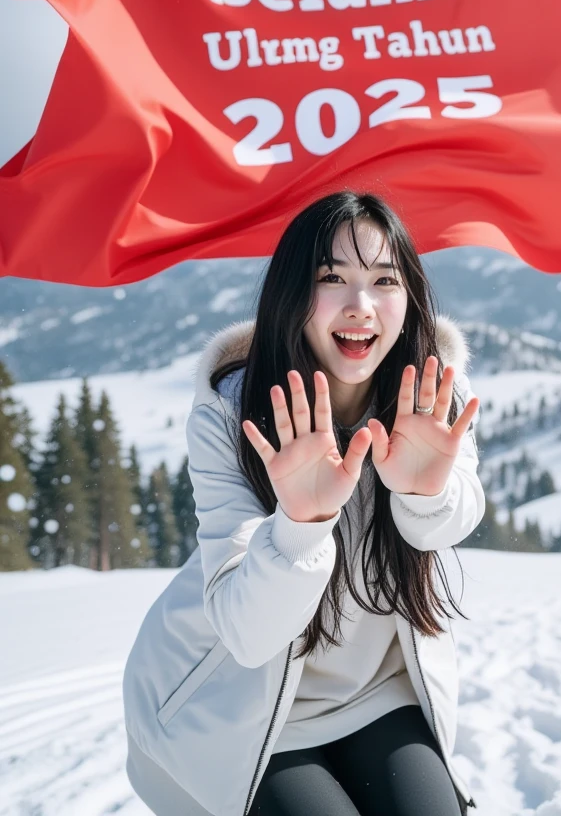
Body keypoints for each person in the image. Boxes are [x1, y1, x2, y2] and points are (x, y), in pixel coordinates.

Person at [123, 190, 485, 816]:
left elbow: (449, 522)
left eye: (384, 280)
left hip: (377, 693)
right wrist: (301, 523)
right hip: (239, 704)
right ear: (293, 291)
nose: (360, 306)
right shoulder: (231, 412)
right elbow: (248, 632)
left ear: (411, 296)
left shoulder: (432, 390)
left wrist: (426, 491)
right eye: (332, 278)